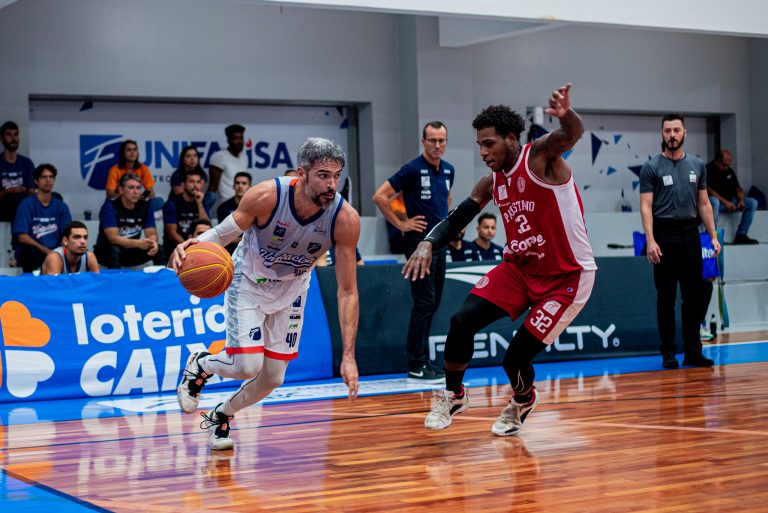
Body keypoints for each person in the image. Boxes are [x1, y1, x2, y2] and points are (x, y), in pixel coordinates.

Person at [404, 84, 596, 436]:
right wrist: (428, 243)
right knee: (461, 321)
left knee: (515, 359)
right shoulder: (491, 182)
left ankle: (523, 400)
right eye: (479, 144)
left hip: (566, 277)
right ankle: (454, 395)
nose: (483, 151)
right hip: (520, 269)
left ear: (510, 139)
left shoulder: (539, 157)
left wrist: (566, 114)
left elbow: (572, 133)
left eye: (489, 143)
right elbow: (459, 217)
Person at [172, 137, 360, 451]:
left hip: (293, 290)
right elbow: (222, 234)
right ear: (301, 173)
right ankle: (201, 365)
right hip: (249, 281)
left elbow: (348, 291)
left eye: (336, 176)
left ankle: (222, 414)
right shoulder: (267, 196)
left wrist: (349, 356)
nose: (331, 185)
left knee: (273, 378)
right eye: (323, 176)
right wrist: (191, 247)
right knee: (247, 366)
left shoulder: (345, 218)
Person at [372, 121, 454, 384]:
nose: (437, 145)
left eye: (441, 140)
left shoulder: (449, 170)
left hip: (440, 243)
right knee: (424, 301)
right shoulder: (412, 169)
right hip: (419, 244)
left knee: (433, 303)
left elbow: (447, 199)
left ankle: (424, 361)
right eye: (432, 140)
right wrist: (402, 224)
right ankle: (416, 364)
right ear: (423, 142)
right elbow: (380, 196)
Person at [639, 113, 720, 369]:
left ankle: (693, 351)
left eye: (676, 130)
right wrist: (651, 240)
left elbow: (704, 204)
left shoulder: (698, 165)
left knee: (693, 295)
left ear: (685, 132)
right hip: (664, 234)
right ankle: (668, 353)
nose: (672, 135)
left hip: (691, 234)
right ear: (662, 134)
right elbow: (646, 206)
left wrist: (713, 236)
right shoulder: (651, 167)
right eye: (667, 131)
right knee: (666, 297)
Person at [94, 173, 164, 269]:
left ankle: (162, 278)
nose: (135, 192)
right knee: (114, 250)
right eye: (131, 188)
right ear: (121, 190)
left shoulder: (145, 206)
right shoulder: (109, 207)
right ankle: (116, 279)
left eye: (138, 188)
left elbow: (151, 233)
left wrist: (152, 243)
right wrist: (139, 243)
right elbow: (113, 238)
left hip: (131, 251)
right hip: (107, 252)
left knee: (159, 249)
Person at [12, 164, 72, 273]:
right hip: (32, 250)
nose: (48, 180)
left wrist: (58, 251)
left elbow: (67, 234)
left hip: (55, 250)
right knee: (31, 252)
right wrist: (45, 250)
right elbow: (22, 237)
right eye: (44, 177)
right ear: (36, 181)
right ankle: (32, 282)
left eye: (51, 177)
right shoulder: (26, 204)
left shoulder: (62, 206)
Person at [706, 149, 759, 245]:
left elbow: (738, 188)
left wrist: (741, 201)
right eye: (724, 165)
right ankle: (712, 235)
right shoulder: (707, 169)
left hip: (730, 203)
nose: (726, 167)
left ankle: (741, 235)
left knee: (752, 202)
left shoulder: (729, 171)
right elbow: (709, 190)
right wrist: (726, 202)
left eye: (728, 165)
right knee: (714, 201)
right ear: (717, 161)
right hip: (716, 204)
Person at [162, 168, 210, 257]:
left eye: (198, 182)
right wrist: (187, 247)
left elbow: (207, 226)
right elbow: (172, 234)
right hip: (174, 249)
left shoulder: (202, 202)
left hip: (196, 248)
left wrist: (199, 204)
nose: (195, 185)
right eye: (191, 182)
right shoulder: (171, 204)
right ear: (183, 185)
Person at [0, 121, 35, 223]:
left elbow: (32, 191)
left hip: (23, 202)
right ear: (1, 138)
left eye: (16, 134)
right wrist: (8, 191)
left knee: (55, 197)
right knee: (15, 199)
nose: (13, 138)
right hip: (4, 204)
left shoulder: (27, 163)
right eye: (9, 134)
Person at [208, 124, 247, 207]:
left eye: (241, 138)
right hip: (226, 206)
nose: (239, 141)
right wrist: (205, 208)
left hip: (242, 204)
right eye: (235, 138)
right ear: (228, 140)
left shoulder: (244, 157)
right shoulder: (219, 157)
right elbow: (213, 188)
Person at [169, 146, 216, 212]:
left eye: (195, 156)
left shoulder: (202, 175)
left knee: (211, 196)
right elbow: (181, 195)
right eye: (188, 156)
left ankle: (202, 213)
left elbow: (199, 192)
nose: (192, 159)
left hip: (196, 201)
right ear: (183, 160)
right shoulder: (177, 175)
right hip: (180, 204)